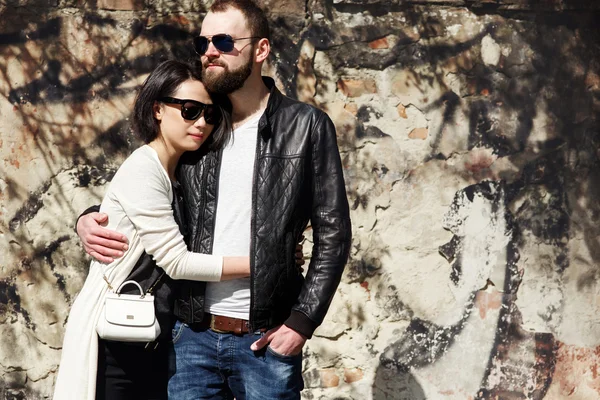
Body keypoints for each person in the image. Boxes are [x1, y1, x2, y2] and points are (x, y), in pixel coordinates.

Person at [76, 0, 352, 399]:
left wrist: (301, 323)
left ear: (260, 50)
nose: (210, 50)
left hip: (266, 340)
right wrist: (89, 218)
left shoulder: (305, 126)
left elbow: (334, 234)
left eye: (223, 41)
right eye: (203, 41)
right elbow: (144, 184)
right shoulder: (200, 123)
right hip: (191, 338)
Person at [54, 60, 252, 400]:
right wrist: (260, 263)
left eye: (210, 114)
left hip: (155, 339)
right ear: (158, 109)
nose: (201, 122)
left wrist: (87, 215)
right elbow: (177, 262)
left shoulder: (182, 172)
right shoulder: (145, 168)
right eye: (189, 110)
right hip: (116, 340)